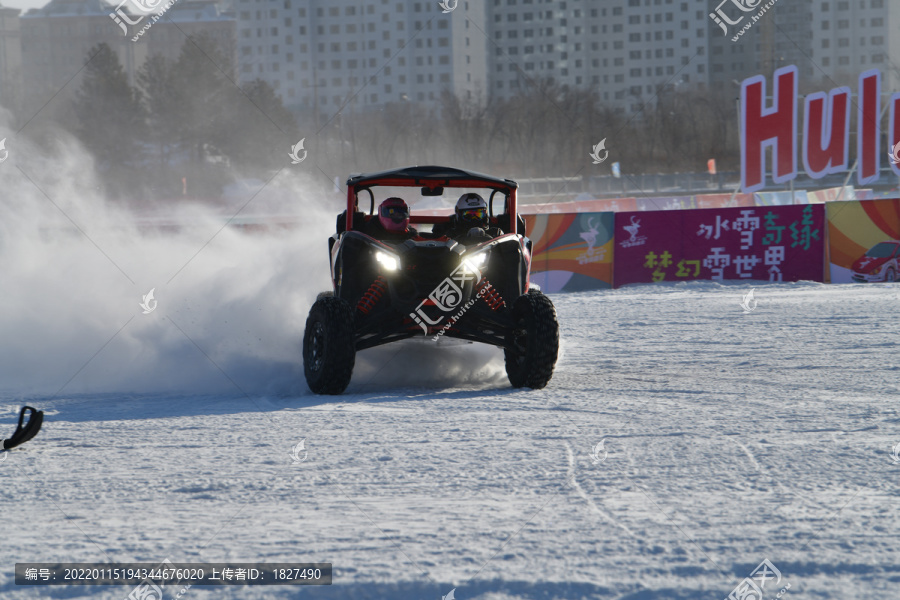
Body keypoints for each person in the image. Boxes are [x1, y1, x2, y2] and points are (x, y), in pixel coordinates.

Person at [435, 193, 503, 242]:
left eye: (478, 214)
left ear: (485, 214)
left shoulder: (495, 233)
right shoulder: (451, 235)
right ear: (459, 215)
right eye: (468, 215)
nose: (474, 219)